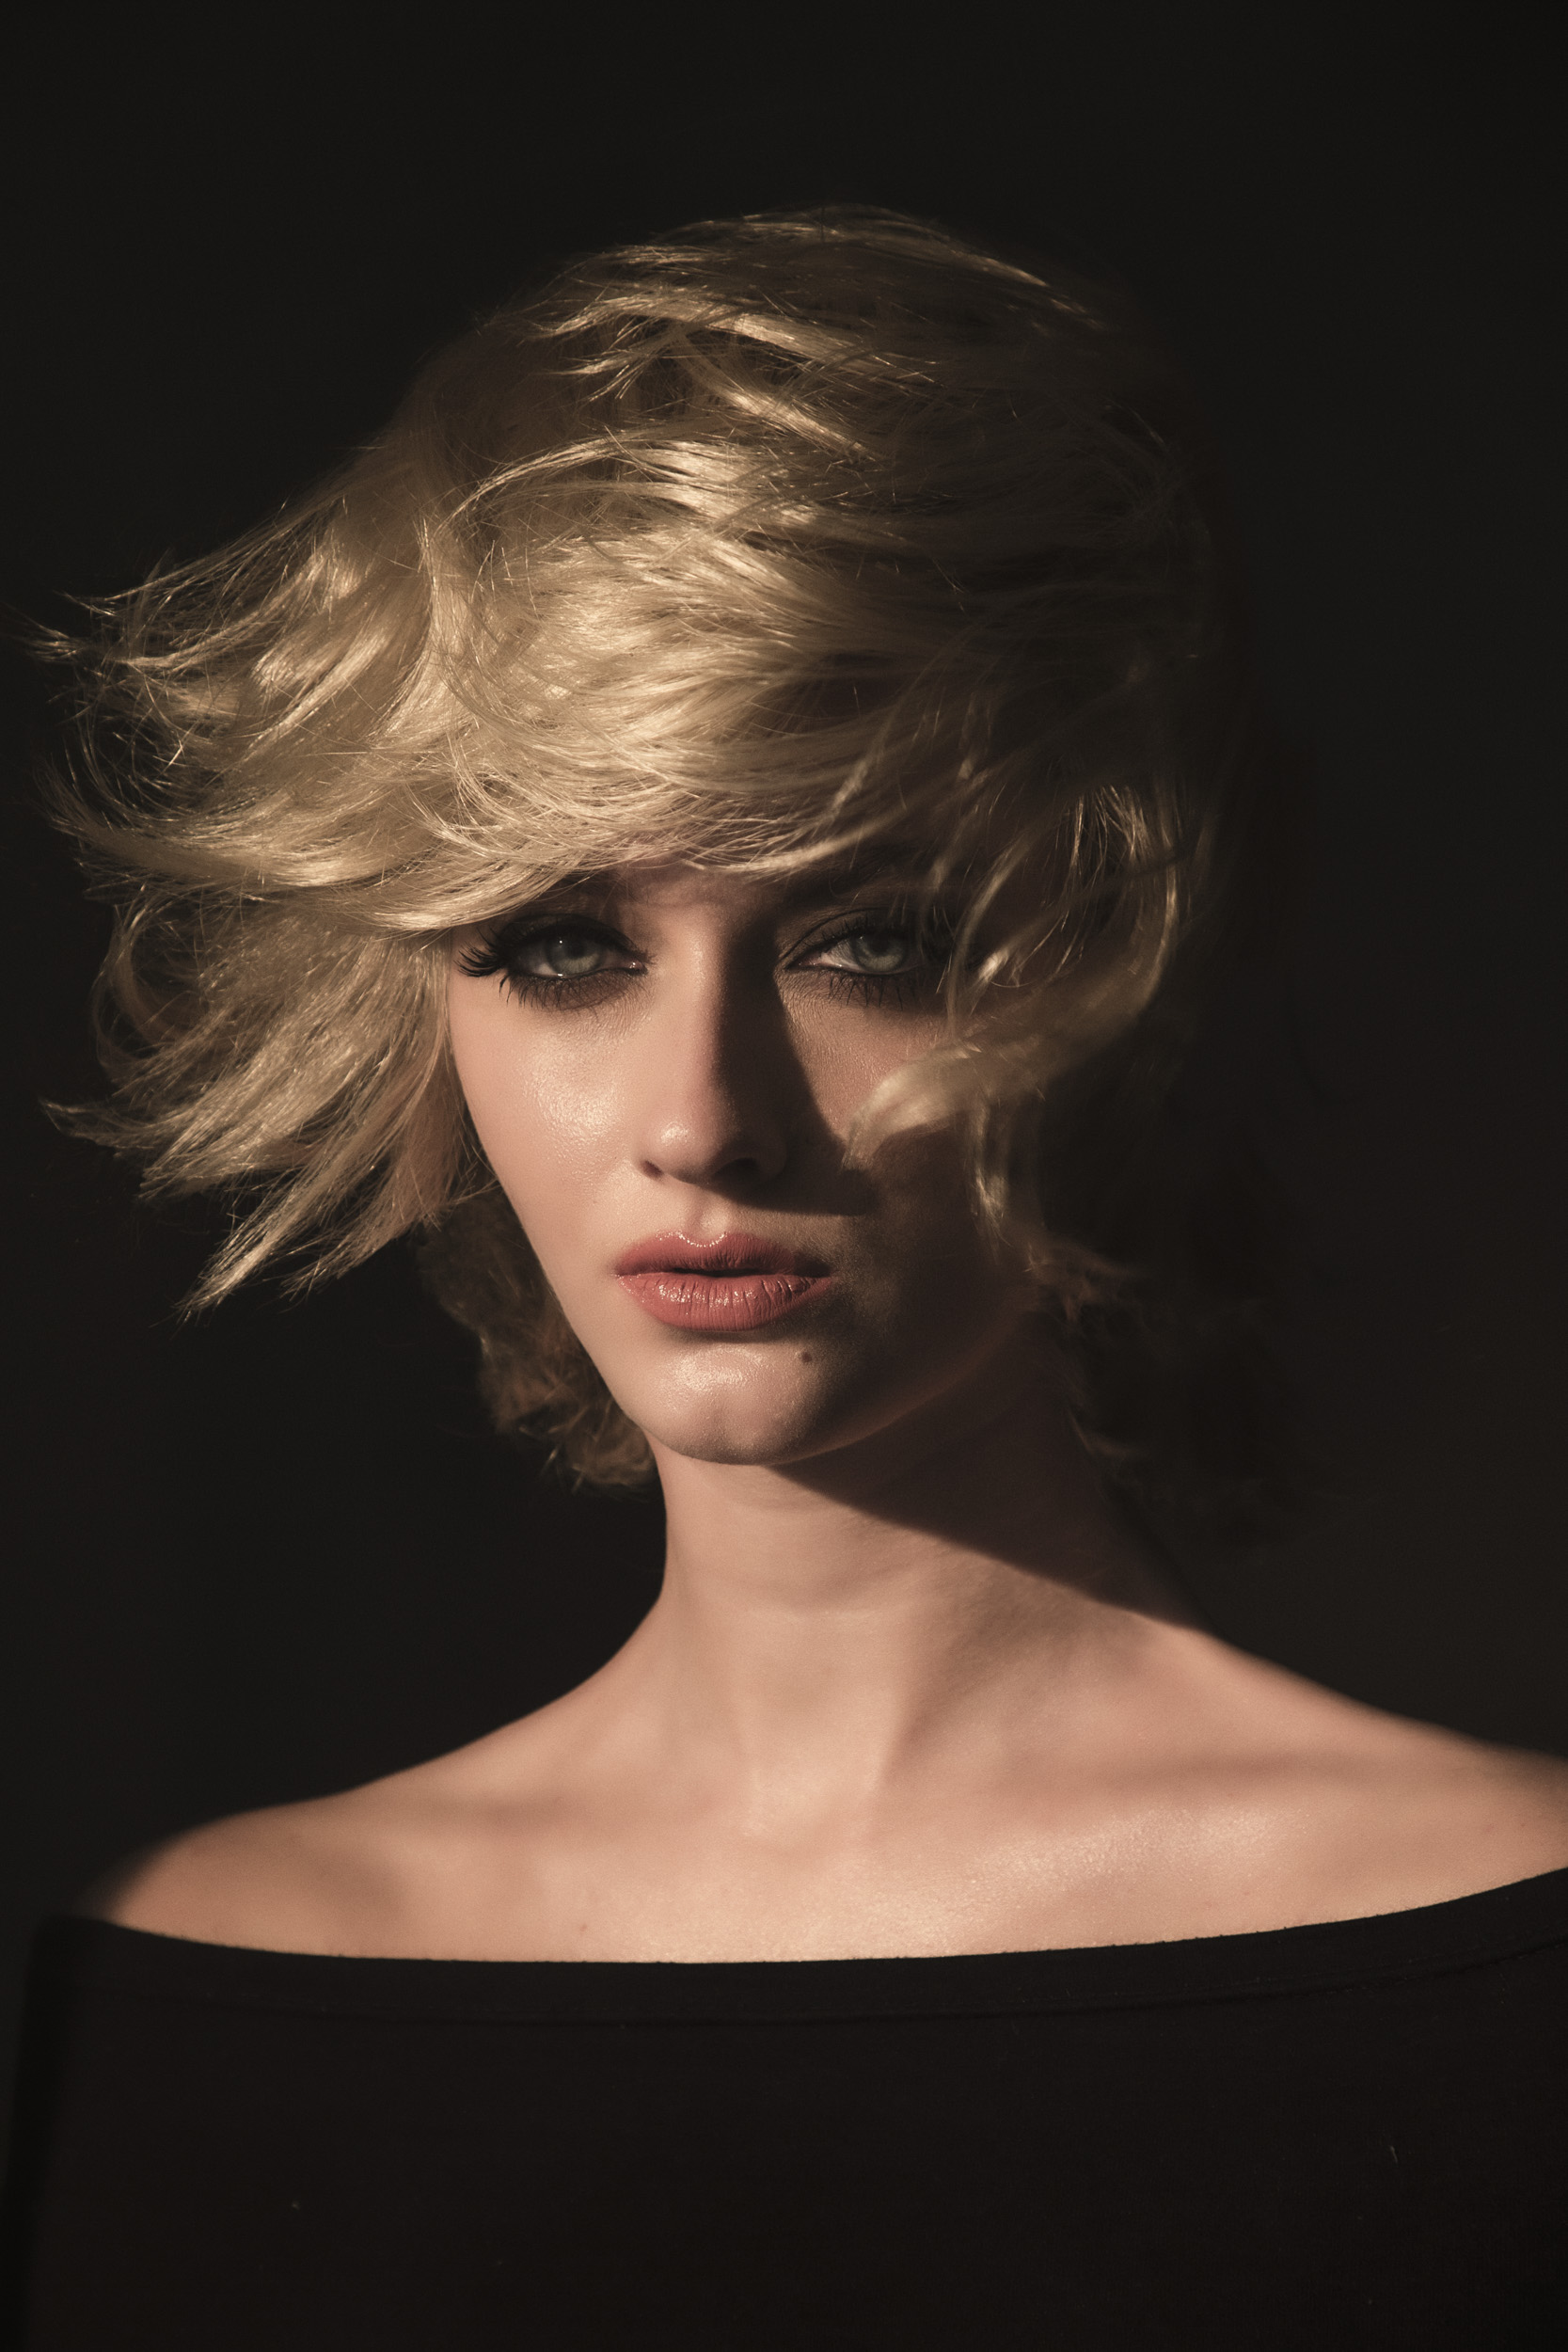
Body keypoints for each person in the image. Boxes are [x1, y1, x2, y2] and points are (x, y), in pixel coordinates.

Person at [4, 205, 1565, 2348]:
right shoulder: (188, 1991)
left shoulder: (1507, 1965)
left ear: (1137, 963)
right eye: (566, 946)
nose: (703, 1118)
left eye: (871, 940)